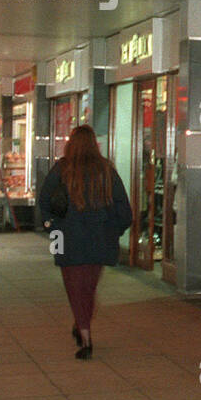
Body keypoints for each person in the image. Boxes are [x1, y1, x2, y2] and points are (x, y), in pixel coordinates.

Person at [38, 125, 131, 360]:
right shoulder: (106, 170)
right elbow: (124, 210)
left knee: (73, 287)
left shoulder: (62, 169)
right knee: (88, 288)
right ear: (94, 144)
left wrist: (52, 228)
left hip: (65, 238)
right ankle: (81, 325)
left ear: (71, 143)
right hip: (99, 239)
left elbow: (44, 202)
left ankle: (85, 336)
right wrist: (114, 231)